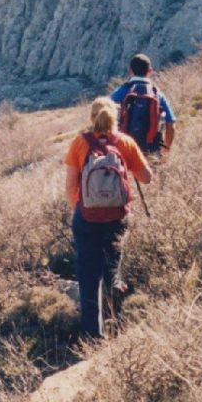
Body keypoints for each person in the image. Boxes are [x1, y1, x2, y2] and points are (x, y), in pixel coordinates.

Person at [65, 97, 152, 339]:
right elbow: (146, 178)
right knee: (111, 271)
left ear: (91, 117)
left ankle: (93, 336)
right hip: (118, 217)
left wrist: (82, 208)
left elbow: (70, 185)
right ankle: (117, 324)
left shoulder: (80, 143)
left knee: (88, 275)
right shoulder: (125, 142)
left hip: (87, 218)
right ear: (116, 118)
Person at [109, 53, 176, 157]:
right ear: (150, 71)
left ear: (130, 70)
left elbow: (103, 117)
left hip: (124, 149)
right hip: (151, 150)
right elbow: (170, 125)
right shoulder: (157, 94)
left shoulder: (121, 91)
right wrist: (166, 150)